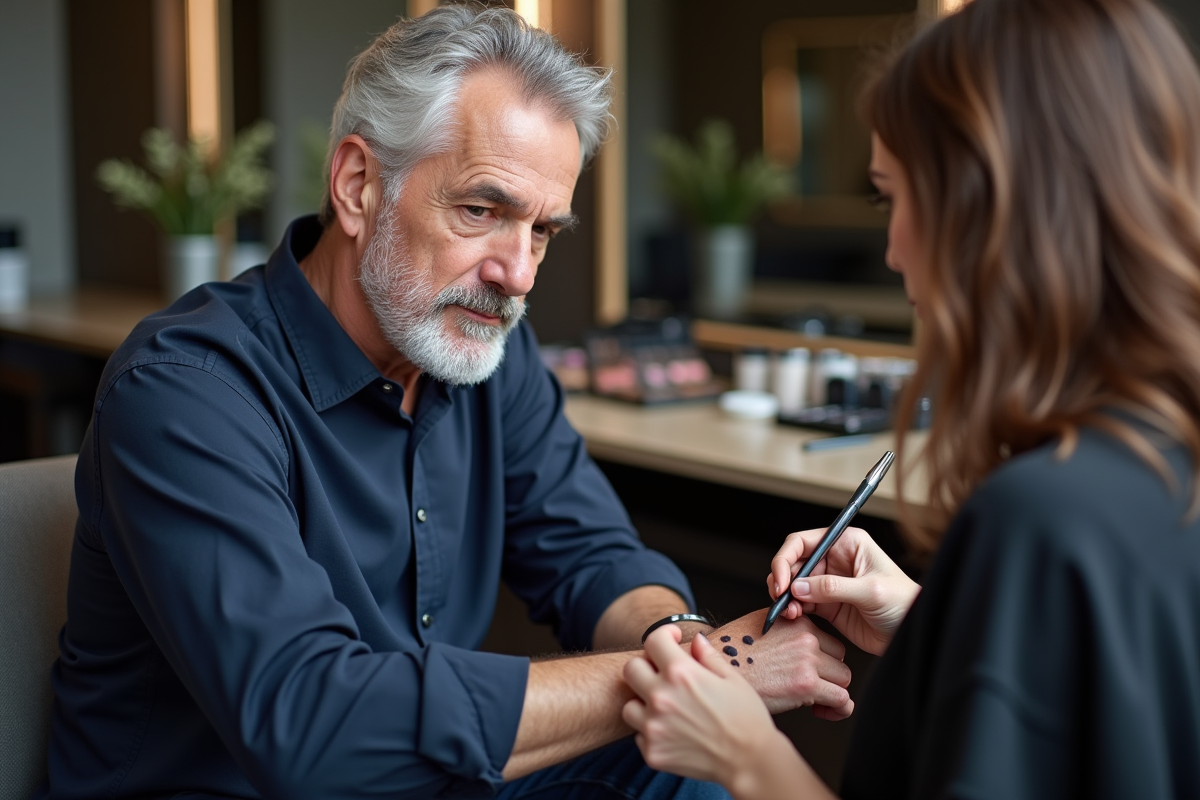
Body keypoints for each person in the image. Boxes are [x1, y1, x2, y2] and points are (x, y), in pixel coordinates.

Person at [39, 6, 856, 799]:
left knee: (682, 766)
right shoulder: (186, 390)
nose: (519, 273)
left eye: (541, 230)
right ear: (359, 184)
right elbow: (313, 728)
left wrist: (675, 640)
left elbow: (594, 557)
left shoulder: (488, 352)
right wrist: (702, 673)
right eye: (482, 210)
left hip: (430, 778)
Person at [620, 0, 1200, 797]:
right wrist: (938, 630)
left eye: (894, 197)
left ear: (989, 209)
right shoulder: (1163, 461)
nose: (892, 251)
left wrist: (743, 753)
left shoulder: (1038, 520)